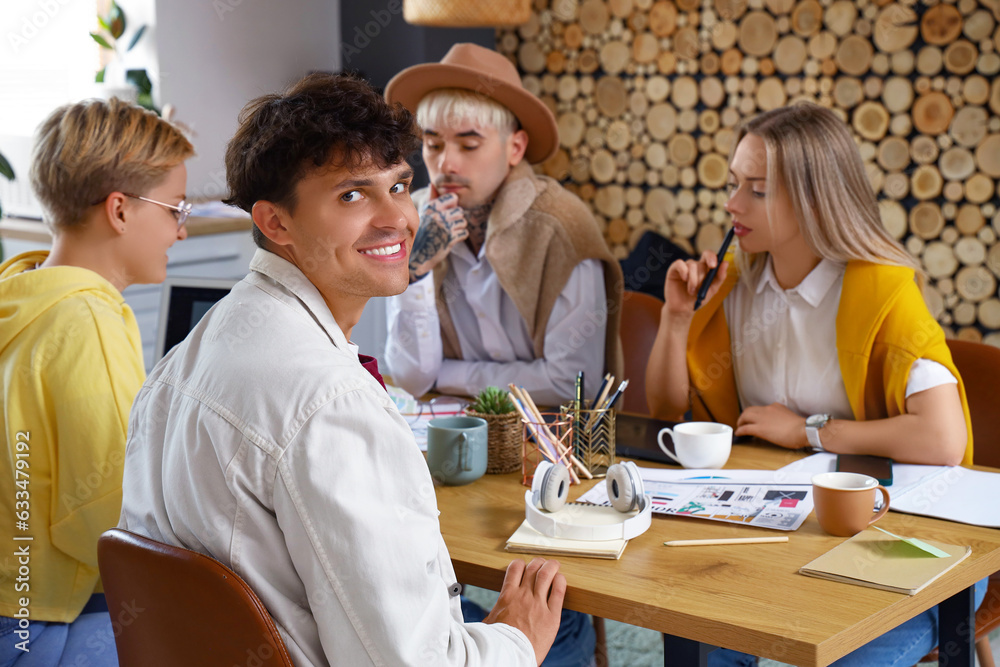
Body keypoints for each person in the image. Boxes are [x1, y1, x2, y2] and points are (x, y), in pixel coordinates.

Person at [118, 72, 572, 667]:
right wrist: (516, 637)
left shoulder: (185, 358)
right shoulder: (330, 402)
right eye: (352, 196)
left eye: (401, 186)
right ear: (275, 222)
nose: (398, 219)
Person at [645, 102, 985, 666]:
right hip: (776, 531)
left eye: (757, 189)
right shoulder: (733, 286)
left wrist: (808, 432)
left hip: (906, 538)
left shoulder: (883, 291)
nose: (732, 204)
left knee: (852, 651)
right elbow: (669, 414)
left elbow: (942, 439)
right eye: (734, 184)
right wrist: (676, 318)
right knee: (699, 628)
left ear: (814, 198)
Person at [0, 98, 193, 665]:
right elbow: (116, 507)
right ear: (120, 210)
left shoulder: (22, 293)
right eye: (175, 210)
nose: (181, 232)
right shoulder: (88, 319)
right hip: (48, 619)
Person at [383, 43, 624, 406]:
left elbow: (575, 384)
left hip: (549, 446)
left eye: (468, 145)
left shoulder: (561, 226)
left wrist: (448, 375)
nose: (447, 164)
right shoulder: (412, 219)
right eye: (433, 144)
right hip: (450, 436)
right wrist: (416, 271)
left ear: (515, 148)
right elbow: (411, 377)